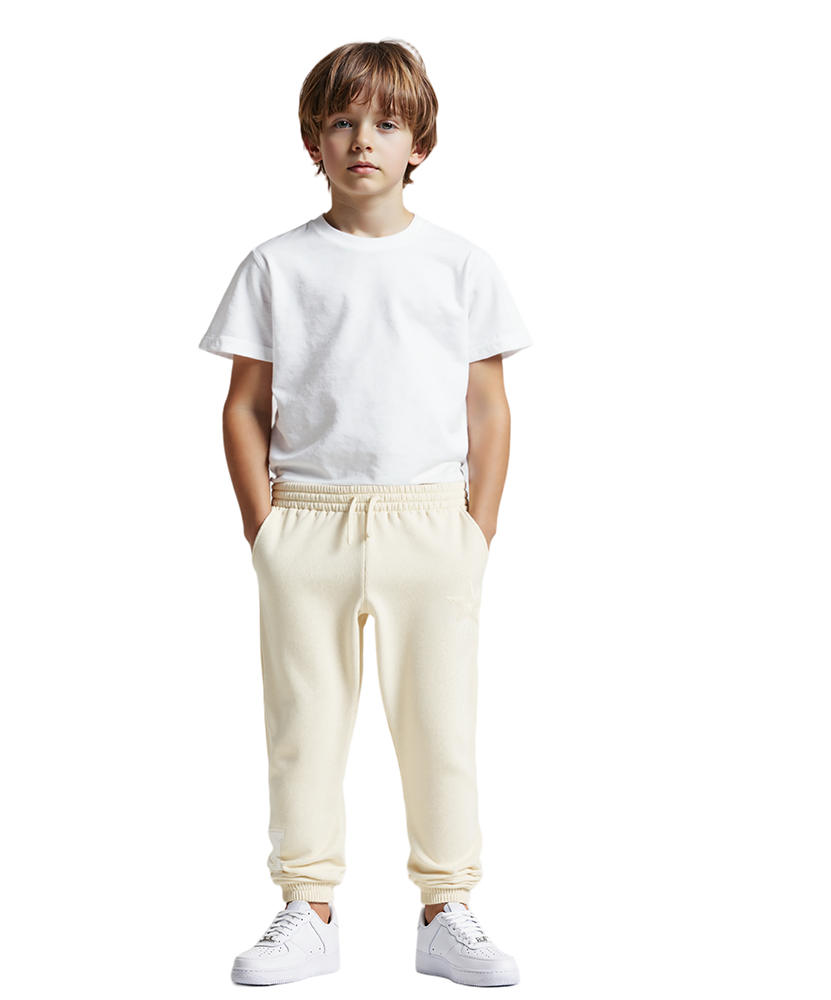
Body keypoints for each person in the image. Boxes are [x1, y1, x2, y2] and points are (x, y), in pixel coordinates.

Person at [199, 39, 533, 988]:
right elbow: (244, 407)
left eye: (386, 123)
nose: (362, 141)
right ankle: (307, 907)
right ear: (313, 138)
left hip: (431, 521)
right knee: (303, 722)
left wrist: (475, 532)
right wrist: (265, 530)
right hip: (306, 516)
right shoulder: (276, 265)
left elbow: (488, 408)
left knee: (440, 723)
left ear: (418, 142)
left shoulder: (460, 265)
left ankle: (446, 907)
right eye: (342, 122)